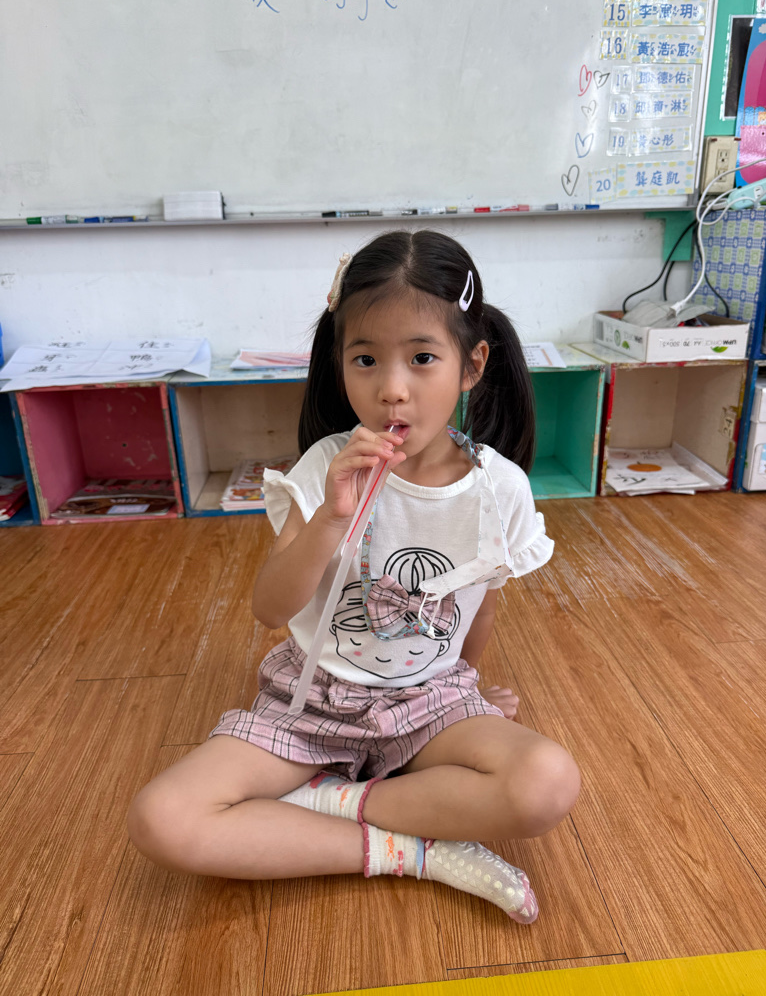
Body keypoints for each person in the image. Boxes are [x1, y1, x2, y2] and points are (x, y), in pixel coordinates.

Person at [127, 230, 580, 925]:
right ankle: (413, 852)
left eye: (422, 358)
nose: (391, 389)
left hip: (429, 703)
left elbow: (482, 606)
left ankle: (329, 805)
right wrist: (331, 519)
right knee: (162, 818)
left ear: (472, 365)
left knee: (547, 782)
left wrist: (469, 691)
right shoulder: (323, 467)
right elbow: (270, 608)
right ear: (339, 364)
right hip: (311, 705)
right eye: (365, 359)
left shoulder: (500, 490)